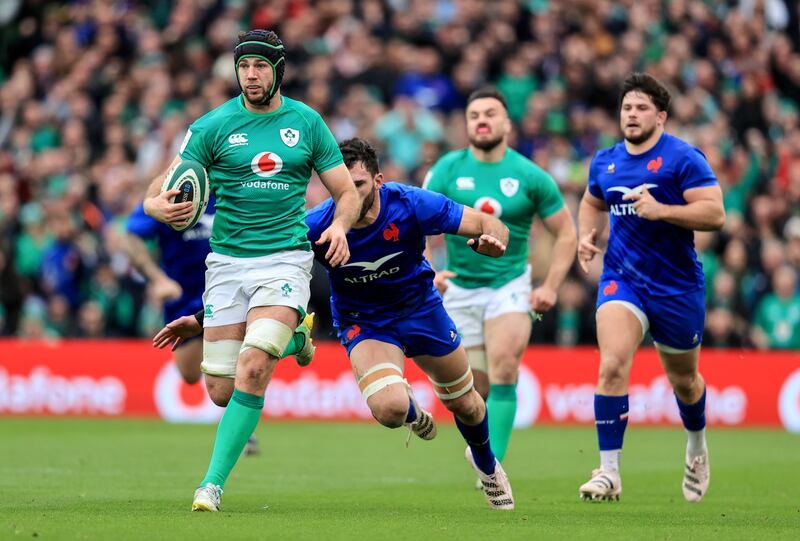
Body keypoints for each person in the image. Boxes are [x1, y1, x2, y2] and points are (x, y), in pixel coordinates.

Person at [155, 137, 517, 510]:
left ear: (378, 181)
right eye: (342, 186)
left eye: (359, 185)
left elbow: (488, 222)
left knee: (468, 404)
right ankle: (411, 412)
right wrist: (201, 320)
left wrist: (492, 241)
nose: (351, 195)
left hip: (421, 310)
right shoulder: (314, 226)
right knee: (390, 409)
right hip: (365, 323)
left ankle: (487, 465)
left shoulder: (411, 204)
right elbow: (262, 274)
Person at [141, 29, 360, 512]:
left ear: (278, 70)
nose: (251, 75)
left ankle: (210, 485)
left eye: (260, 66)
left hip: (284, 258)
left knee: (254, 365)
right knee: (221, 390)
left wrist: (341, 226)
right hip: (226, 264)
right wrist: (155, 206)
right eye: (244, 66)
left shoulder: (306, 122)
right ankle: (297, 338)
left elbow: (347, 192)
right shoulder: (213, 125)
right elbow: (165, 183)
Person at [576, 72, 725, 502]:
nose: (632, 114)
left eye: (641, 107)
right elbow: (591, 201)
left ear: (660, 116)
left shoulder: (683, 158)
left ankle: (696, 447)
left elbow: (715, 214)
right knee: (611, 365)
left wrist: (663, 210)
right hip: (622, 280)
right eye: (627, 107)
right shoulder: (605, 161)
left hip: (676, 286)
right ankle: (608, 472)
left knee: (685, 381)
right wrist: (586, 235)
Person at [424, 87, 576, 470]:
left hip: (509, 285)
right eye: (474, 115)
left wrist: (550, 287)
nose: (482, 121)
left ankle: (492, 467)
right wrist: (428, 273)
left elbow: (566, 233)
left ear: (507, 123)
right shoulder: (446, 169)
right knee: (472, 390)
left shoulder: (530, 175)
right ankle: (483, 448)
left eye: (490, 114)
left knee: (505, 366)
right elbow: (416, 225)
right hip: (458, 288)